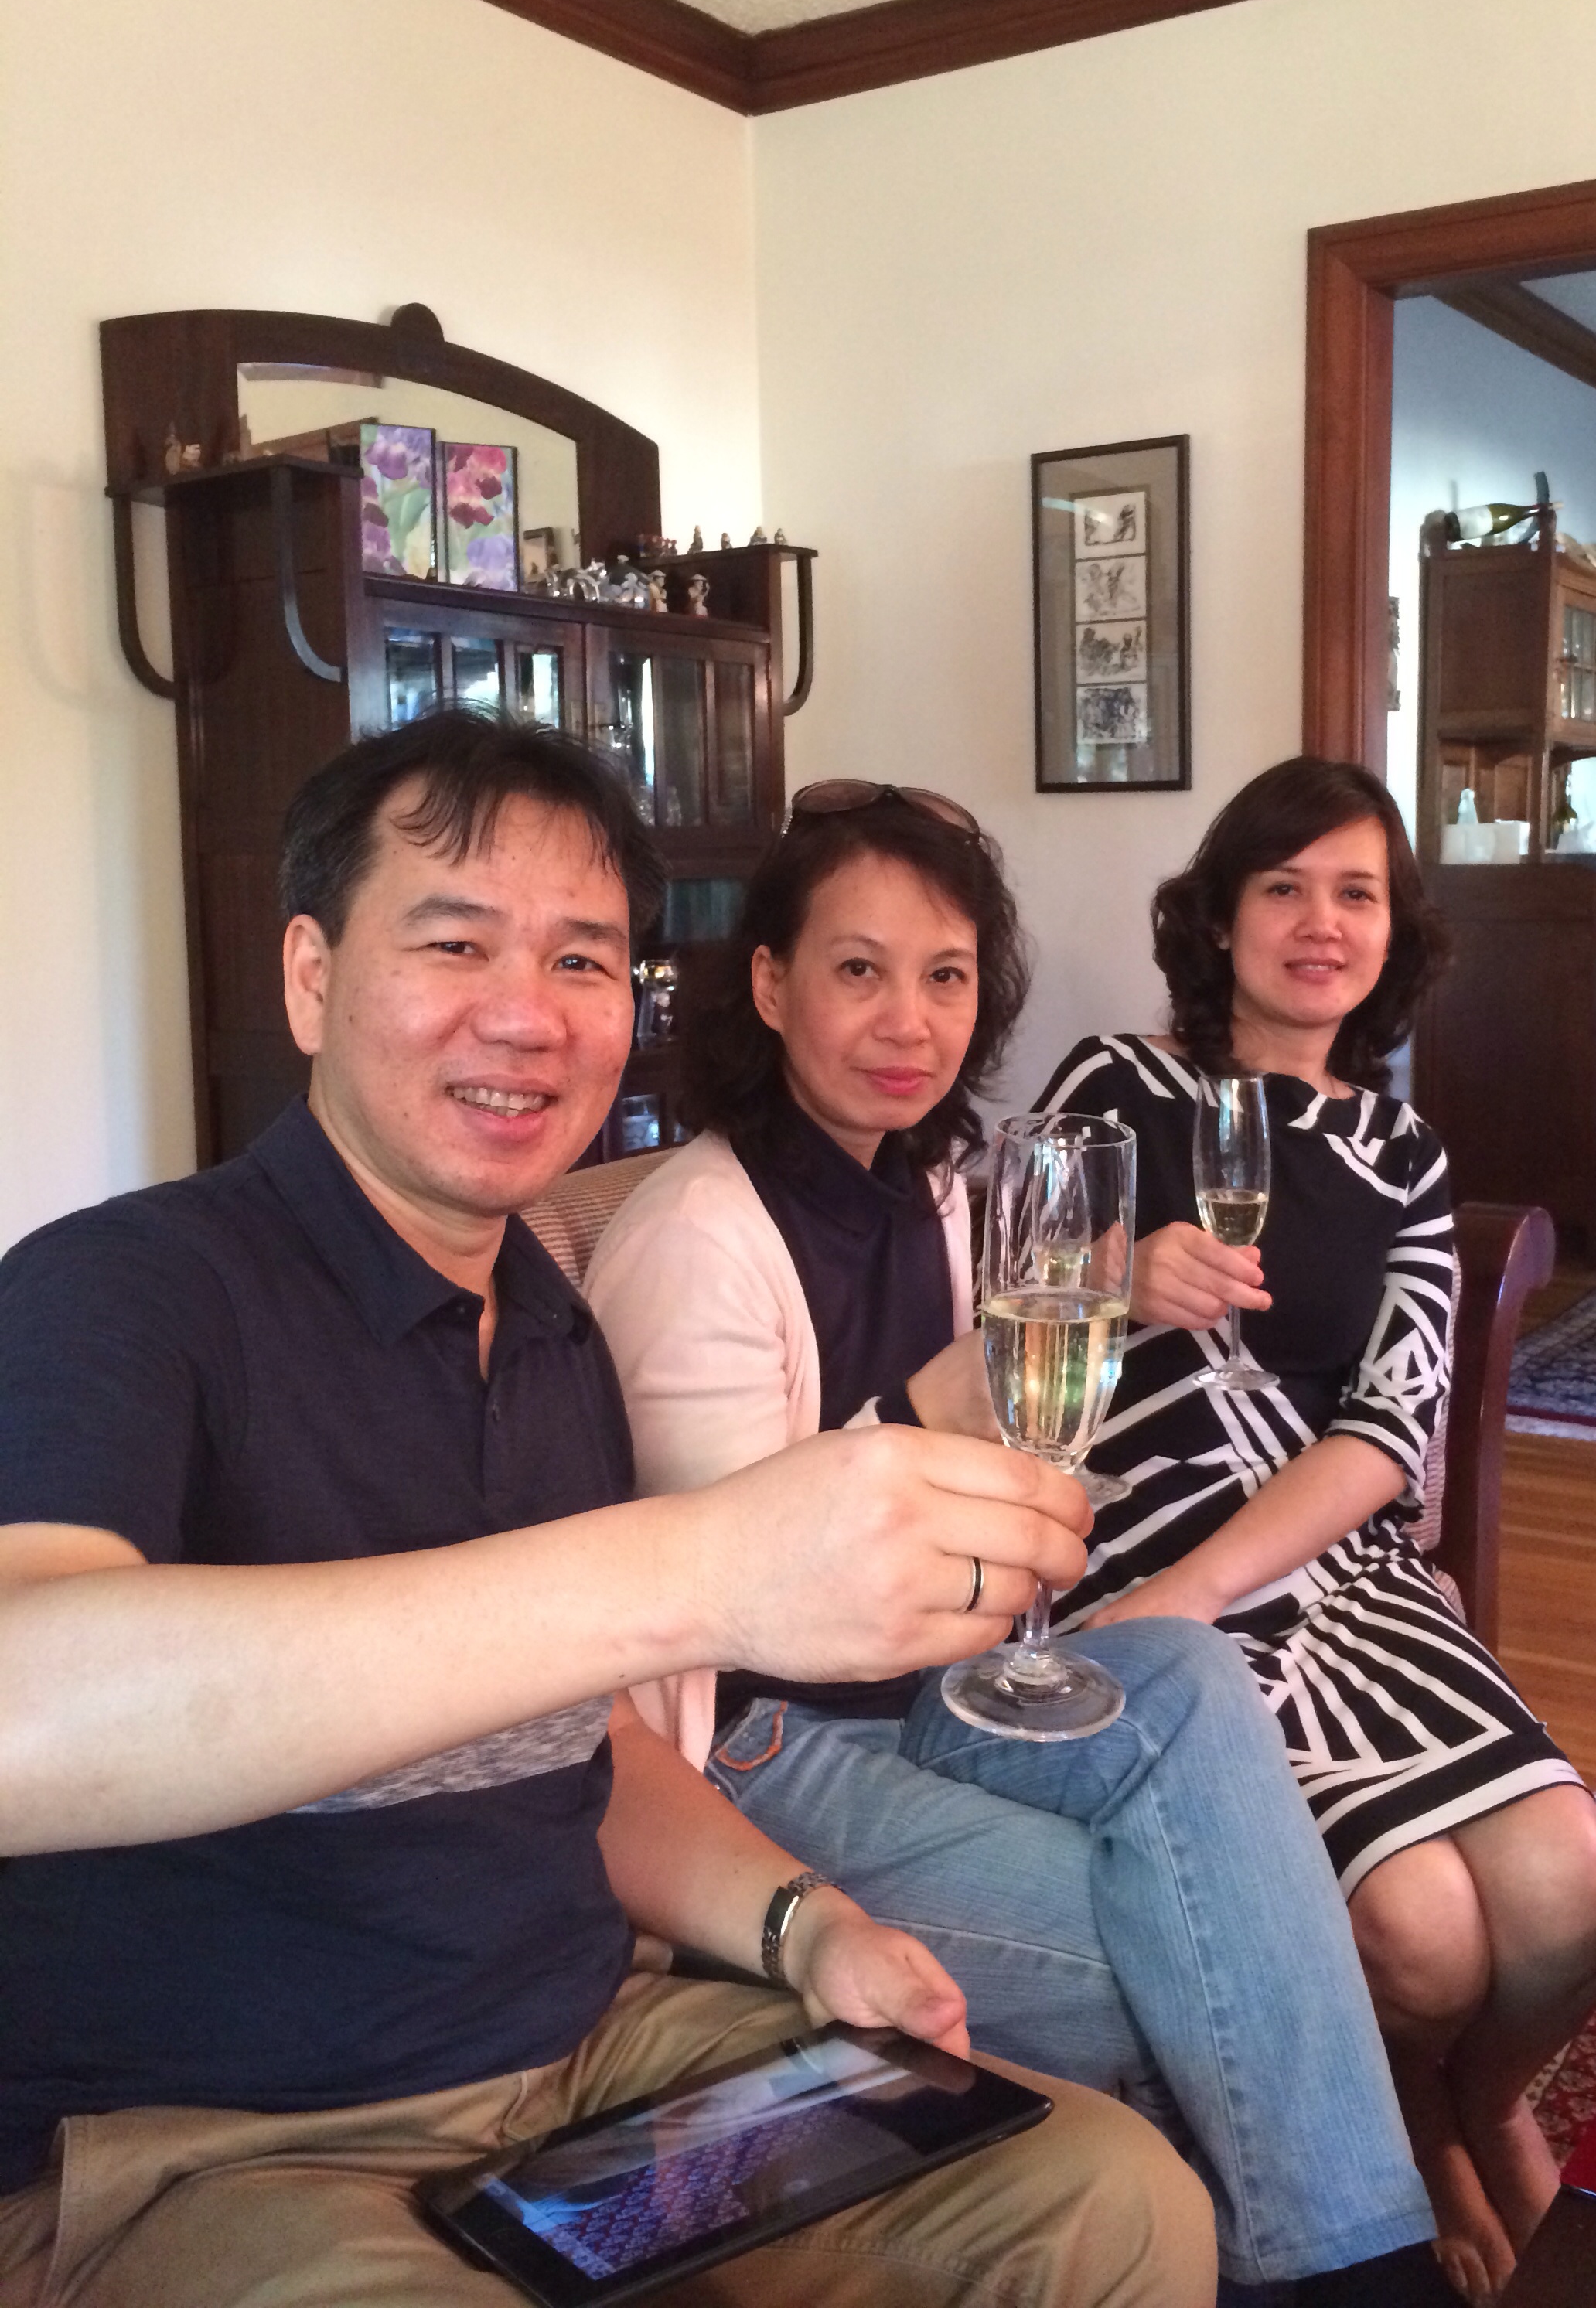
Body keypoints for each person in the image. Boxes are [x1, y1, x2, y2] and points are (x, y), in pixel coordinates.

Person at [0, 714, 1215, 2308]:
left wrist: (803, 1926)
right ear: (309, 975)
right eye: (455, 944)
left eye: (581, 962)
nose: (526, 1016)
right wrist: (694, 1567)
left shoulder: (552, 1329)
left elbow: (590, 1750)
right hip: (226, 2140)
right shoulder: (124, 1291)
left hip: (594, 2067)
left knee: (1114, 2202)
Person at [586, 779, 1455, 2306]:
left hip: (938, 1685)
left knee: (1188, 1671)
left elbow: (1041, 1425)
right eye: (859, 971)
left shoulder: (943, 1192)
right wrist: (967, 1381)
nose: (908, 1020)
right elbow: (752, 1594)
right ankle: (1341, 2271)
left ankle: (1355, 2263)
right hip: (764, 1740)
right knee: (1181, 1952)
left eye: (946, 976)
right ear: (772, 984)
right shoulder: (693, 1235)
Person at [1035, 757, 1596, 2305]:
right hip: (1136, 1546)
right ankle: (1412, 2123)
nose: (1320, 922)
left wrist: (1212, 1584)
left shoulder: (1408, 1156)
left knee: (1571, 1896)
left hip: (1329, 1558)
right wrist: (1117, 1280)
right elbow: (1003, 1305)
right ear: (1221, 918)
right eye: (1283, 887)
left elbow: (1390, 1423)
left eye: (1355, 893)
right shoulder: (1117, 1083)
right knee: (1424, 1937)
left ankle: (1483, 2099)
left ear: (1394, 932)